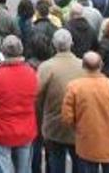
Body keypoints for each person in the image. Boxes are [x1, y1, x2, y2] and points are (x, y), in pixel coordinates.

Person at [62, 52, 109, 173]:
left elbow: (67, 118)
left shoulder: (74, 87)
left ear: (83, 66)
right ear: (101, 65)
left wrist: (79, 130)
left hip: (87, 144)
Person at [0, 35, 38, 173]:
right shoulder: (31, 73)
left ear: (3, 52)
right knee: (24, 169)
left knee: (1, 167)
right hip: (25, 128)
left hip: (0, 129)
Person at [37, 29, 85, 173]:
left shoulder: (46, 67)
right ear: (72, 44)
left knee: (56, 159)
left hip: (54, 124)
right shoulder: (83, 65)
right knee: (79, 160)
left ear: (53, 44)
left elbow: (37, 95)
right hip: (79, 122)